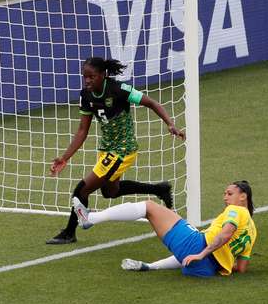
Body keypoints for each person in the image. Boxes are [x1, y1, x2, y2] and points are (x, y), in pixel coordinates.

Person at [47, 57, 186, 245]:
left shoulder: (119, 90)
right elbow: (82, 130)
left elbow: (152, 103)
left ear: (103, 75)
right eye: (84, 77)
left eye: (91, 76)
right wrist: (65, 158)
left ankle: (69, 232)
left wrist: (170, 124)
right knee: (110, 192)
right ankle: (159, 189)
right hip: (106, 149)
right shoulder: (86, 96)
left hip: (123, 150)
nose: (87, 80)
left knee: (81, 190)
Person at [72, 180, 257, 276]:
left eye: (230, 193)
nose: (225, 197)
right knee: (188, 249)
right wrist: (212, 261)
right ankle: (149, 267)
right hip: (206, 269)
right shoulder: (253, 231)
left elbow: (225, 234)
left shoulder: (236, 211)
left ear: (243, 197)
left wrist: (201, 253)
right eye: (224, 193)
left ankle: (90, 218)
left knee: (149, 207)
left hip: (197, 247)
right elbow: (241, 268)